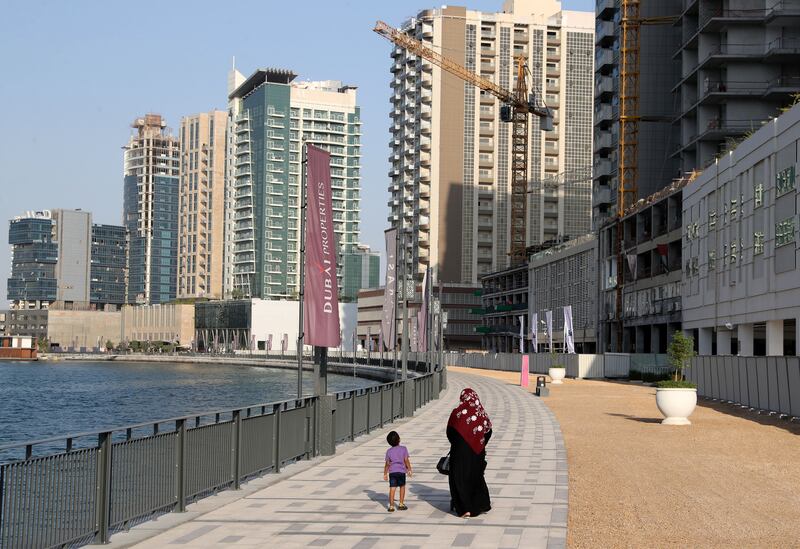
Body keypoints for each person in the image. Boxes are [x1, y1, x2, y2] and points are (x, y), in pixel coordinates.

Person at [446, 388, 492, 518]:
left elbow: (450, 432)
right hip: (477, 452)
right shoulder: (481, 413)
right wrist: (480, 442)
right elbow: (488, 431)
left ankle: (465, 508)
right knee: (476, 477)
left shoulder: (457, 413)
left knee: (459, 479)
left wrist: (458, 443)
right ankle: (480, 505)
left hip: (459, 453)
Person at [383, 430, 412, 512]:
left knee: (392, 488)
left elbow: (387, 463)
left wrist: (385, 473)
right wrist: (409, 469)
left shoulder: (389, 451)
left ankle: (391, 506)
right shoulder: (404, 449)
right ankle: (401, 504)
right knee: (402, 486)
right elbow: (406, 460)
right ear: (399, 439)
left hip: (392, 472)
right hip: (402, 472)